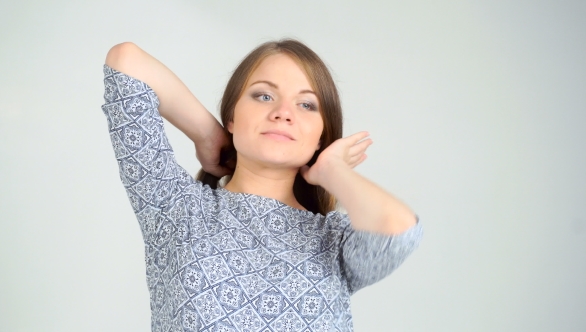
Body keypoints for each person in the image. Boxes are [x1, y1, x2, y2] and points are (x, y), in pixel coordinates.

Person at [101, 39, 422, 332]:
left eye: (306, 105)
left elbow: (397, 229)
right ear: (233, 116)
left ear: (321, 137)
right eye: (263, 96)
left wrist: (331, 169)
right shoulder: (176, 207)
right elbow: (126, 61)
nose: (283, 113)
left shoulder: (334, 242)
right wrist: (210, 135)